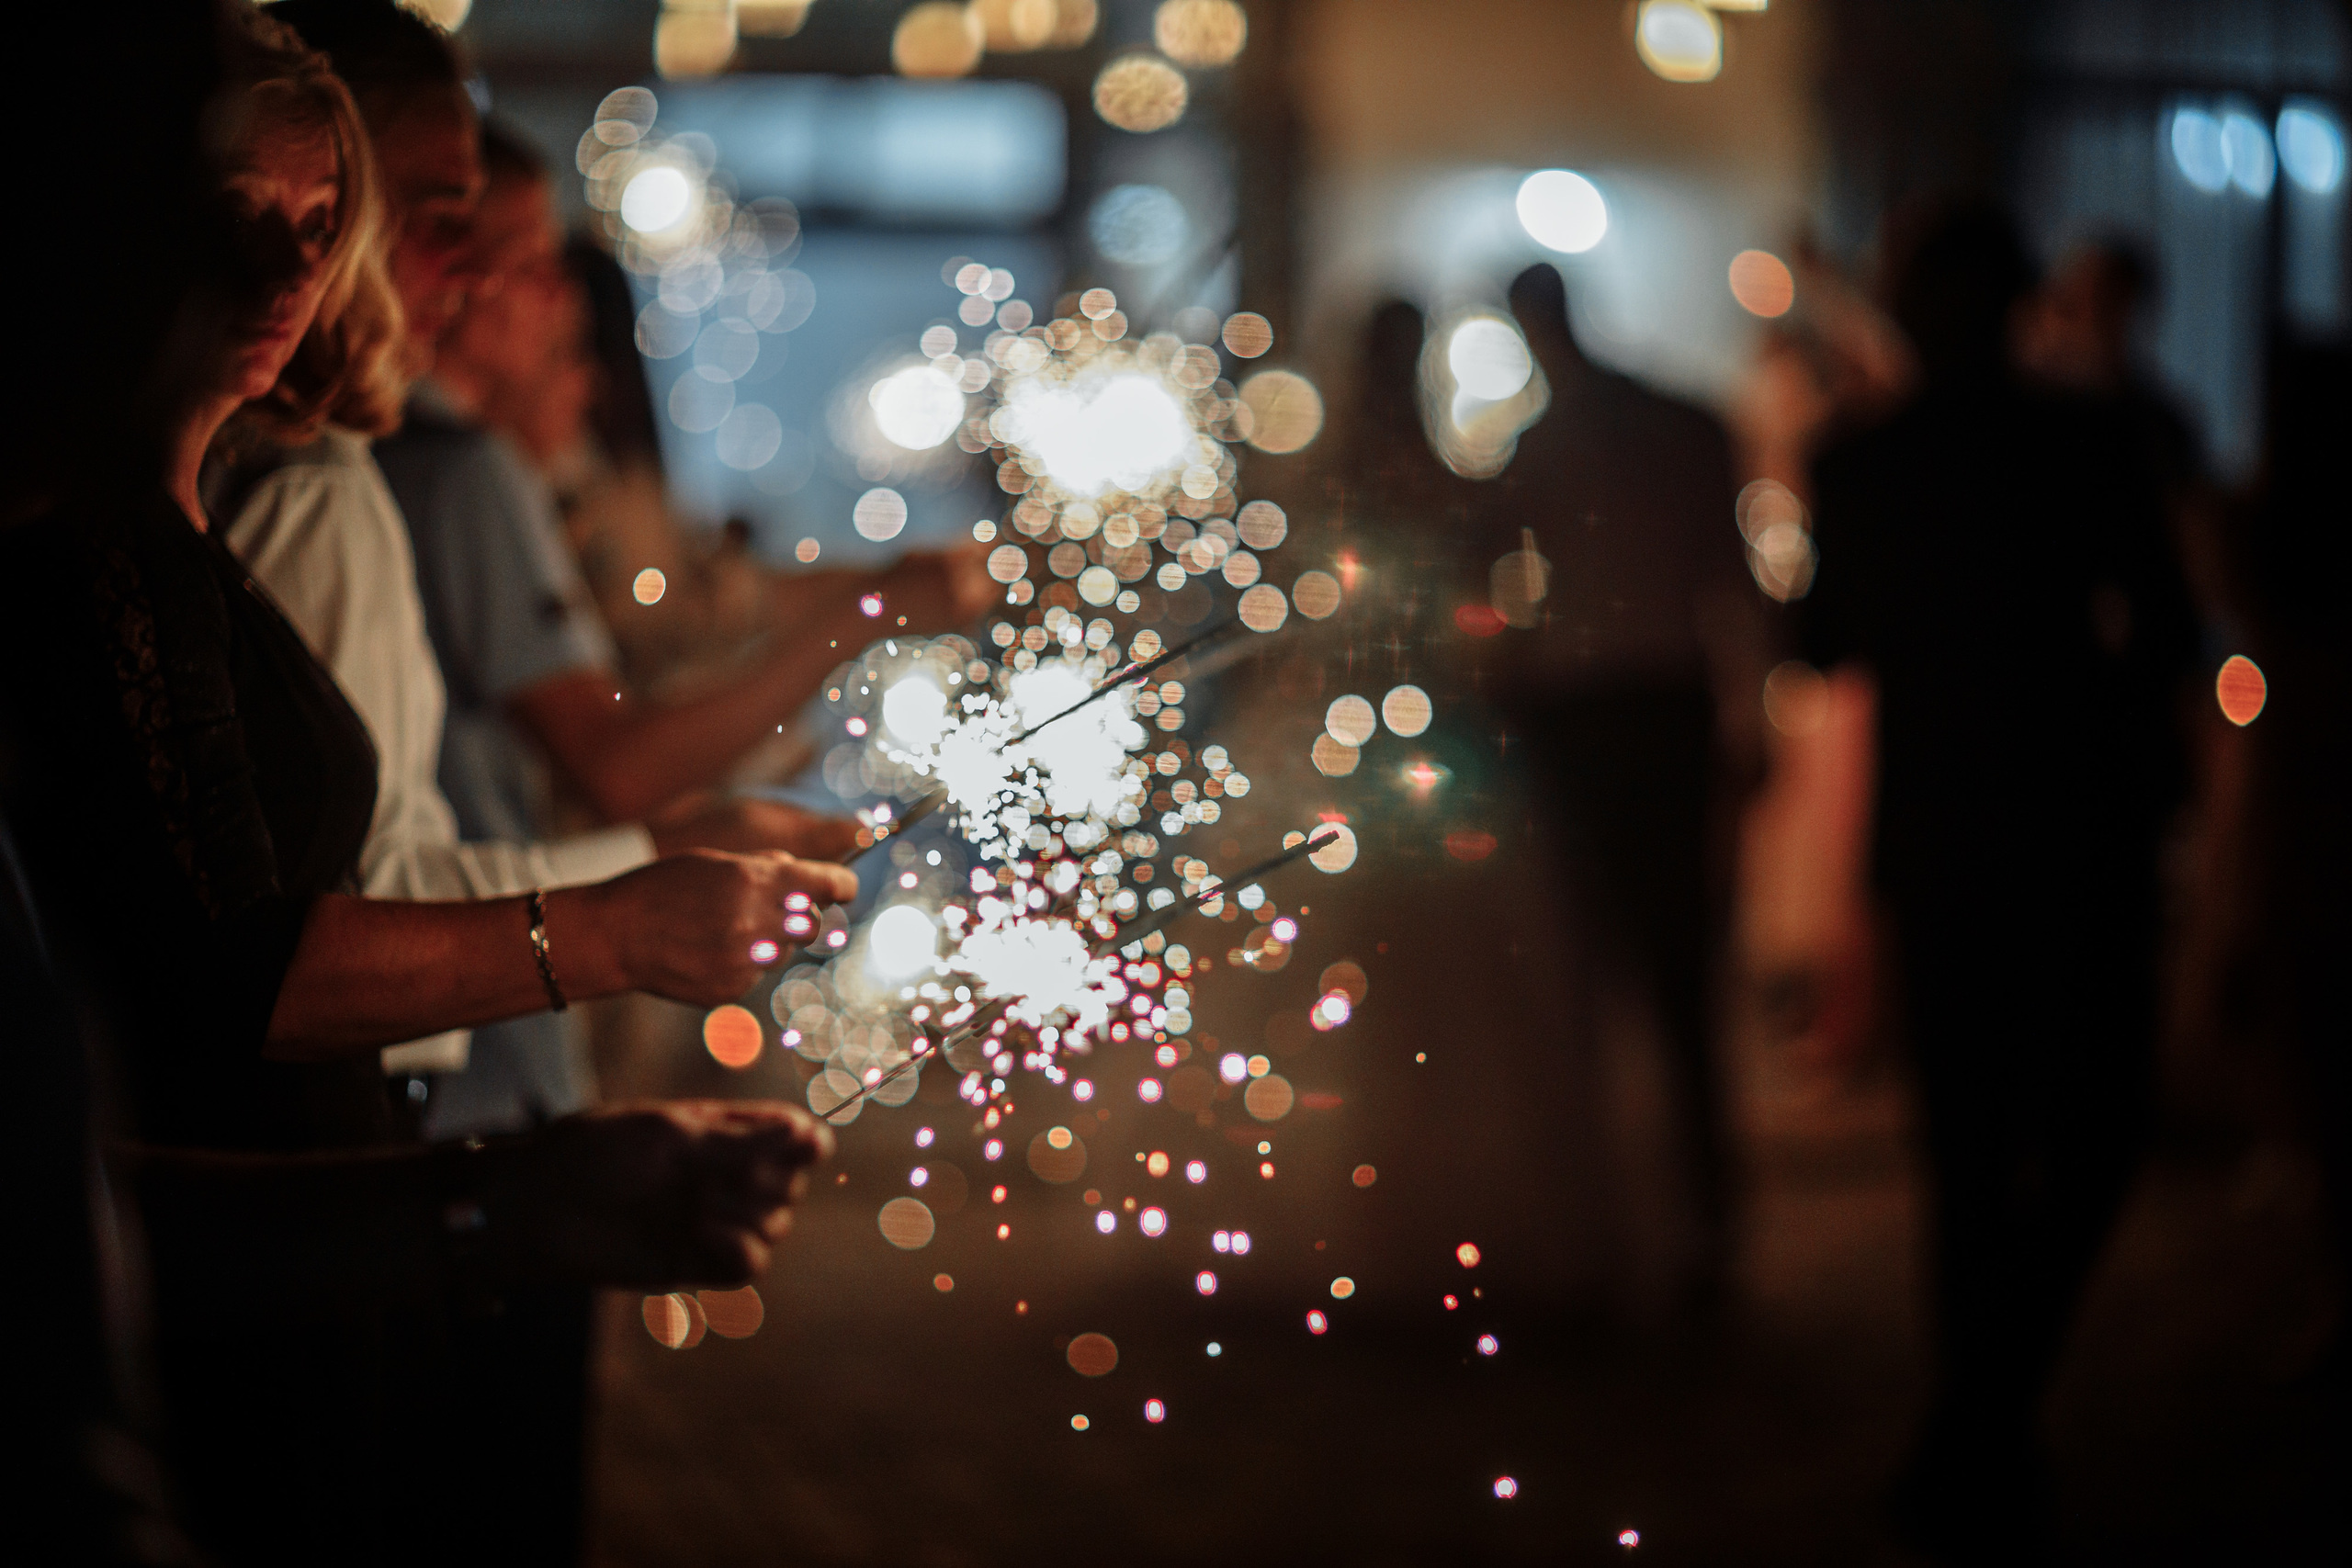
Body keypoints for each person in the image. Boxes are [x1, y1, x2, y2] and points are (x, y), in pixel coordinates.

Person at [0, 9, 853, 1558]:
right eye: (232, 218)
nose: (288, 273)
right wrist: (621, 919)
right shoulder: (167, 537)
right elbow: (247, 961)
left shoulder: (197, 525)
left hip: (322, 1211)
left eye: (324, 226)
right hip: (254, 1242)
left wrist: (645, 872)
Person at [1800, 199, 2199, 1559]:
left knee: (1971, 1148)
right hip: (2081, 817)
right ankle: (1988, 1419)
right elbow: (2168, 625)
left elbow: (1820, 645)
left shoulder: (1860, 459)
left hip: (1948, 827)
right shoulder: (2085, 440)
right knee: (2094, 1122)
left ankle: (1978, 1416)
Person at [1480, 262, 1756, 1310]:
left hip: (1589, 714)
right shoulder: (1686, 423)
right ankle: (1697, 1208)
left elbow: (1505, 594)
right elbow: (1731, 583)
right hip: (1661, 709)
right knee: (1680, 968)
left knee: (1590, 964)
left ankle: (1615, 1211)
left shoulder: (1540, 448)